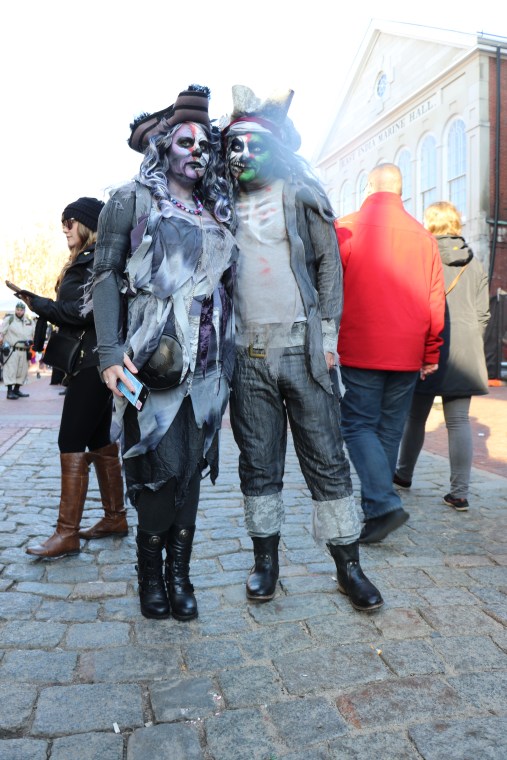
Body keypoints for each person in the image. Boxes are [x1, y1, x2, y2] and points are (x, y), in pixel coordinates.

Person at [222, 85, 383, 612]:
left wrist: (328, 338)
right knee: (258, 464)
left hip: (302, 350)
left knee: (327, 460)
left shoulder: (300, 194)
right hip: (248, 355)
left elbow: (329, 265)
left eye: (255, 144)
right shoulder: (220, 203)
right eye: (235, 145)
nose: (243, 154)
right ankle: (264, 563)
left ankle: (349, 567)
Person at [92, 85, 237, 621]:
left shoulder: (217, 210)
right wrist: (110, 353)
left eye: (204, 144)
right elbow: (104, 275)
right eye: (185, 141)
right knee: (157, 469)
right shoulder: (129, 201)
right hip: (148, 364)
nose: (197, 151)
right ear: (164, 147)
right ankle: (150, 575)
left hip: (207, 368)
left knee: (191, 469)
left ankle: (180, 575)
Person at [335, 163, 446, 544]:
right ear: (401, 191)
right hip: (407, 352)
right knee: (387, 430)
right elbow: (435, 303)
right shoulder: (424, 238)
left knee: (357, 425)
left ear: (369, 188)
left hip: (361, 347)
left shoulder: (346, 228)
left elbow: (328, 290)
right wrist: (431, 352)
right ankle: (377, 511)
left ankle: (382, 504)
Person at [23, 197, 128, 559]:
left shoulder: (98, 259)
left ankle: (66, 533)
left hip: (94, 362)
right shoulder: (85, 259)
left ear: (86, 225)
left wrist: (42, 305)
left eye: (69, 222)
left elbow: (87, 311)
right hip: (92, 361)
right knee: (99, 440)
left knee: (70, 441)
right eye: (63, 223)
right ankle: (115, 517)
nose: (64, 228)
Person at [395, 201, 490, 511]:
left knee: (415, 417)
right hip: (465, 349)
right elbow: (483, 313)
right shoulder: (474, 261)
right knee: (459, 421)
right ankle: (459, 493)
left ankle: (403, 474)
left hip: (429, 346)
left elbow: (412, 304)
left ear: (430, 223)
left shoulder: (423, 255)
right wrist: (470, 341)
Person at [0, 301, 34, 399]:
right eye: (17, 309)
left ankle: (16, 390)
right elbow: (1, 333)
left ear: (24, 311)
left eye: (21, 310)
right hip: (12, 350)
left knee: (22, 371)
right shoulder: (9, 319)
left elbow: (33, 334)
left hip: (24, 351)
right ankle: (9, 392)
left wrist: (31, 342)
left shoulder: (29, 321)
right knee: (11, 370)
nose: (19, 312)